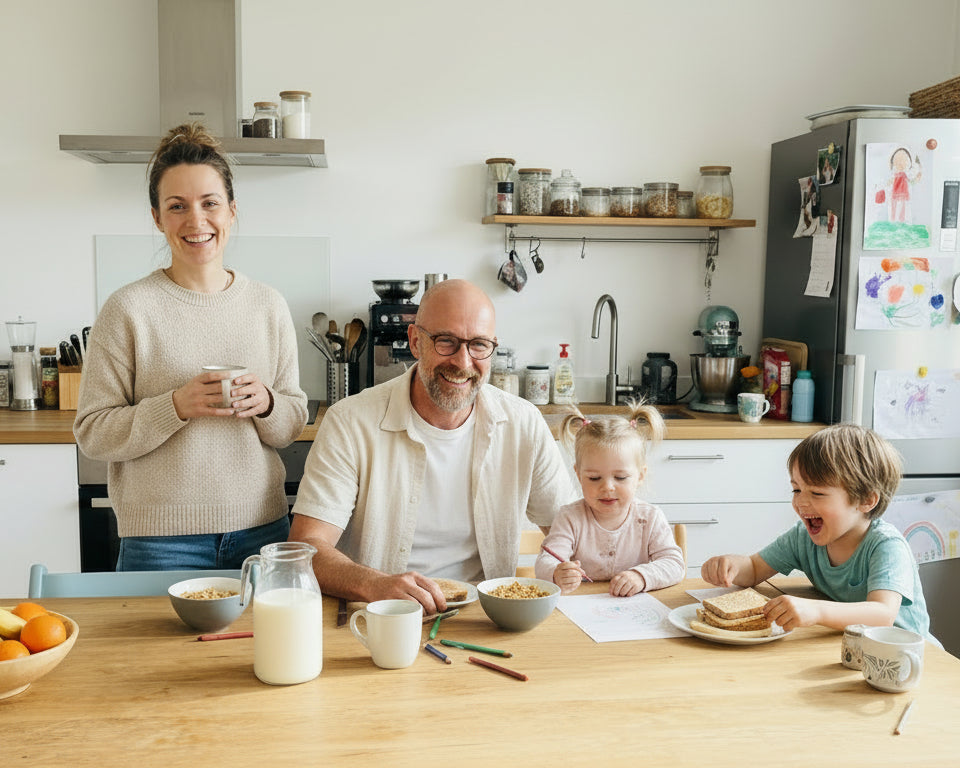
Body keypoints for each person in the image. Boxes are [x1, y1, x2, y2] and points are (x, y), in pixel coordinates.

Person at [74, 123, 308, 571]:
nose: (196, 221)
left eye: (210, 203)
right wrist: (176, 406)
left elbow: (290, 423)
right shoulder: (128, 309)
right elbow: (93, 432)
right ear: (157, 217)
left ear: (232, 211)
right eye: (177, 206)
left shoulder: (267, 305)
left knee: (265, 644)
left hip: (262, 531)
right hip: (159, 543)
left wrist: (268, 404)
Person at [289, 279, 576, 612]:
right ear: (414, 341)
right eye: (446, 342)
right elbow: (306, 548)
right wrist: (373, 584)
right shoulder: (350, 422)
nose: (463, 362)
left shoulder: (523, 424)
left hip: (487, 621)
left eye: (479, 345)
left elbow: (574, 532)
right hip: (380, 616)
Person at [701, 424, 934, 640]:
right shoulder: (803, 538)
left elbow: (882, 614)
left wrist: (815, 610)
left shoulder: (886, 546)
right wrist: (729, 565)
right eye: (796, 489)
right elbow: (754, 569)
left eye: (817, 493)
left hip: (910, 657)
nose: (801, 502)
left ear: (866, 500)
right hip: (851, 645)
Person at [534, 401, 684, 595]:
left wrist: (641, 576)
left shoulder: (650, 518)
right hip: (582, 609)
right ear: (579, 475)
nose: (607, 487)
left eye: (620, 477)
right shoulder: (569, 518)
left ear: (640, 475)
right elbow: (546, 560)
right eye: (594, 478)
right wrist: (556, 573)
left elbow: (674, 564)